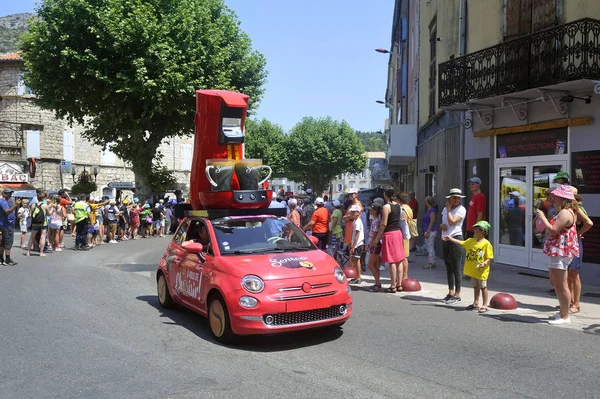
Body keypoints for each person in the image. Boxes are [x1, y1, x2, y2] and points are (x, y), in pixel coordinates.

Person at [535, 185, 579, 325]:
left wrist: (543, 217)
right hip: (557, 251)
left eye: (556, 196)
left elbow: (553, 230)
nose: (553, 198)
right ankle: (562, 311)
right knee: (555, 282)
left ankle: (565, 316)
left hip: (561, 252)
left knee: (561, 285)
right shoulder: (564, 211)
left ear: (563, 198)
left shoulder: (565, 213)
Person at [443, 221, 494, 313]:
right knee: (475, 287)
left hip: (481, 270)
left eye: (476, 229)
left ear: (482, 231)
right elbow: (461, 243)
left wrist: (484, 263)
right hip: (473, 270)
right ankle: (475, 302)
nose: (474, 230)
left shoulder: (486, 244)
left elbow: (489, 257)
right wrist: (450, 239)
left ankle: (485, 304)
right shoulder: (471, 241)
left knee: (483, 287)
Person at [373, 188, 405, 293]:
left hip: (390, 234)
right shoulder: (399, 206)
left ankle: (393, 285)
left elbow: (383, 223)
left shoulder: (386, 207)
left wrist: (377, 237)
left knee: (392, 261)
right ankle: (399, 284)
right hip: (398, 233)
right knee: (399, 259)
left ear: (385, 195)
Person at [567, 191, 593, 315]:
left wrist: (578, 234)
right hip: (567, 245)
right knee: (568, 275)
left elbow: (588, 223)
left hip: (575, 244)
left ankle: (575, 304)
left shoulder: (577, 209)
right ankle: (570, 301)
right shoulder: (565, 209)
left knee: (573, 274)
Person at [440, 188, 467, 304]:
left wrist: (449, 210)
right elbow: (445, 222)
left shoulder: (461, 209)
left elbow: (452, 222)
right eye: (454, 197)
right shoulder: (445, 209)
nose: (456, 200)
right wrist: (441, 225)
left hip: (456, 238)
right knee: (448, 266)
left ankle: (458, 294)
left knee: (456, 267)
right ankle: (450, 292)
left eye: (458, 198)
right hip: (445, 238)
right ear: (449, 198)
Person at [0, 188, 21, 265]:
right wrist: (15, 205)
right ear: (4, 194)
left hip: (4, 224)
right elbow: (7, 212)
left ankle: (1, 258)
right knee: (8, 242)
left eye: (11, 193)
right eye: (8, 193)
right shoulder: (3, 202)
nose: (10, 195)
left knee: (3, 242)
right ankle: (7, 260)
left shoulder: (5, 201)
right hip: (7, 225)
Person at [366, 203, 383, 291]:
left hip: (375, 244)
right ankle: (377, 282)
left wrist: (370, 244)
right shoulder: (375, 220)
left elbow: (375, 234)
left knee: (370, 264)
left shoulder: (377, 221)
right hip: (374, 243)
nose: (370, 211)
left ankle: (378, 283)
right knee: (375, 265)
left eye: (372, 210)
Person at [26, 191, 47, 257]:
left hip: (35, 223)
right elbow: (49, 213)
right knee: (42, 237)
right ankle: (41, 252)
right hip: (43, 223)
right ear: (43, 198)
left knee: (32, 237)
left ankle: (28, 252)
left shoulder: (33, 205)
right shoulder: (44, 205)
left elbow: (31, 213)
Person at [348, 204, 365, 284]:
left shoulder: (358, 222)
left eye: (354, 212)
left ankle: (358, 277)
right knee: (354, 260)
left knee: (357, 260)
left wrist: (354, 246)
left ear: (358, 213)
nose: (352, 213)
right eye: (351, 212)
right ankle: (356, 276)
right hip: (356, 243)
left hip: (358, 244)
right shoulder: (355, 221)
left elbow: (357, 235)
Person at [422, 196, 438, 269]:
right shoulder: (429, 210)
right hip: (427, 230)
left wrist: (428, 231)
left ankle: (431, 263)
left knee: (430, 246)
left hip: (430, 231)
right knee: (429, 246)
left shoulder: (432, 210)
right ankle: (431, 262)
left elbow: (432, 221)